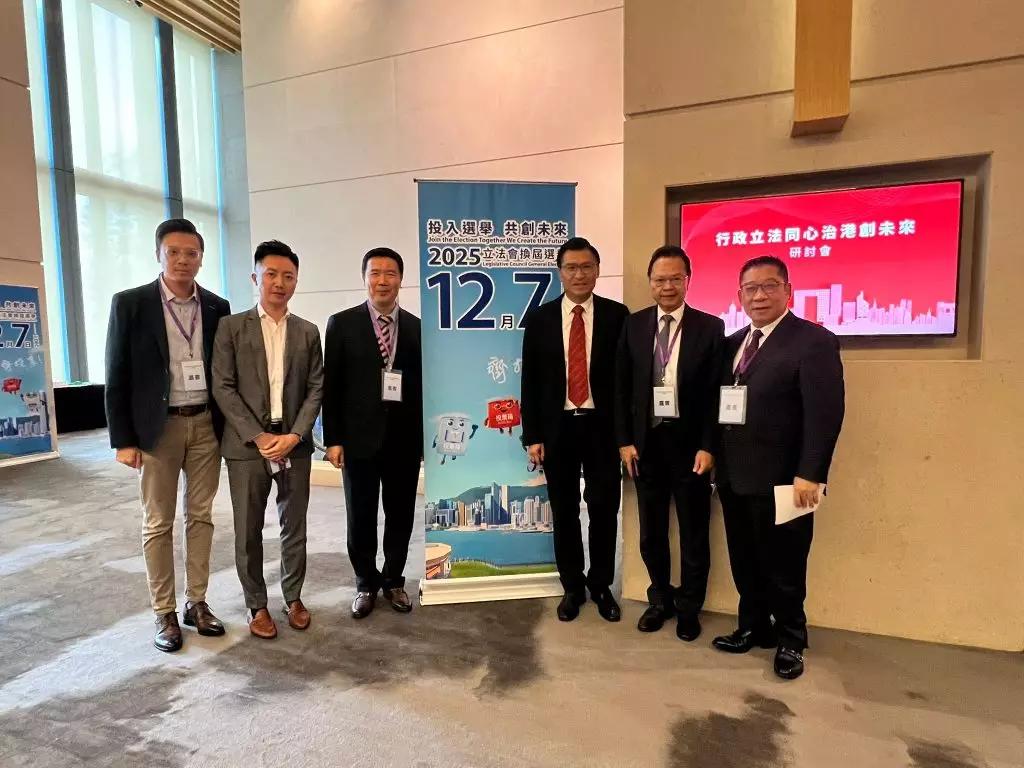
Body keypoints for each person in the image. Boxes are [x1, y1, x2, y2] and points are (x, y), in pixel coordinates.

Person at [712, 255, 845, 680]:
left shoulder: (814, 341)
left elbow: (825, 415)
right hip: (735, 477)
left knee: (786, 564)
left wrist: (812, 473)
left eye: (769, 286)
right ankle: (752, 627)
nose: (759, 295)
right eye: (750, 288)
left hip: (789, 480)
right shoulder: (732, 344)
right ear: (739, 295)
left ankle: (791, 640)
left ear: (788, 290)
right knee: (745, 559)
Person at [104, 218, 231, 652]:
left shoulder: (216, 306)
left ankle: (197, 602)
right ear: (158, 255)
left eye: (191, 253)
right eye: (173, 252)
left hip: (206, 425)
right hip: (158, 428)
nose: (182, 260)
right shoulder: (131, 304)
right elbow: (116, 374)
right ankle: (164, 611)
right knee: (158, 521)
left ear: (201, 258)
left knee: (202, 516)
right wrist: (123, 439)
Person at [211, 240, 324, 639]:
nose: (279, 283)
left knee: (295, 525)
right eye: (271, 274)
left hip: (294, 443)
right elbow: (223, 386)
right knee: (248, 529)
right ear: (255, 277)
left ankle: (293, 597)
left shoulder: (307, 331)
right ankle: (256, 604)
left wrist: (295, 434)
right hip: (247, 446)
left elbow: (316, 387)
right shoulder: (231, 327)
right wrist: (258, 436)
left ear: (296, 281)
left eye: (288, 276)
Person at [615, 245, 724, 641]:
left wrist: (709, 445)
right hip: (646, 448)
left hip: (691, 450)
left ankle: (689, 608)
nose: (667, 286)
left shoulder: (710, 327)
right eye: (660, 279)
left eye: (675, 278)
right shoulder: (634, 325)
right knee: (651, 533)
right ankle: (660, 600)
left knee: (694, 534)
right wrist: (624, 441)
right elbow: (620, 387)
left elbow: (716, 394)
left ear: (688, 281)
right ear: (650, 282)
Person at [521, 237, 629, 622]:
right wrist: (533, 435)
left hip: (602, 429)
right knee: (564, 511)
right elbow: (530, 382)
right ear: (560, 273)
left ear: (597, 271)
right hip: (558, 429)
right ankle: (572, 586)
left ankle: (600, 584)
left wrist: (625, 436)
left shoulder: (618, 316)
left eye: (586, 267)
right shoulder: (540, 319)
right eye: (571, 267)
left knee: (604, 510)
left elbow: (625, 381)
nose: (579, 274)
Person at [322, 247, 423, 619]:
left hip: (403, 441)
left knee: (401, 514)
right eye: (375, 273)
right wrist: (333, 439)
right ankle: (365, 582)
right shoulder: (341, 324)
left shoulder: (416, 328)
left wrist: (423, 440)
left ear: (401, 279)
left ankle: (394, 580)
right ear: (364, 278)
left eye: (390, 273)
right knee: (360, 515)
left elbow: (422, 389)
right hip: (357, 440)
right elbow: (331, 387)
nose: (382, 281)